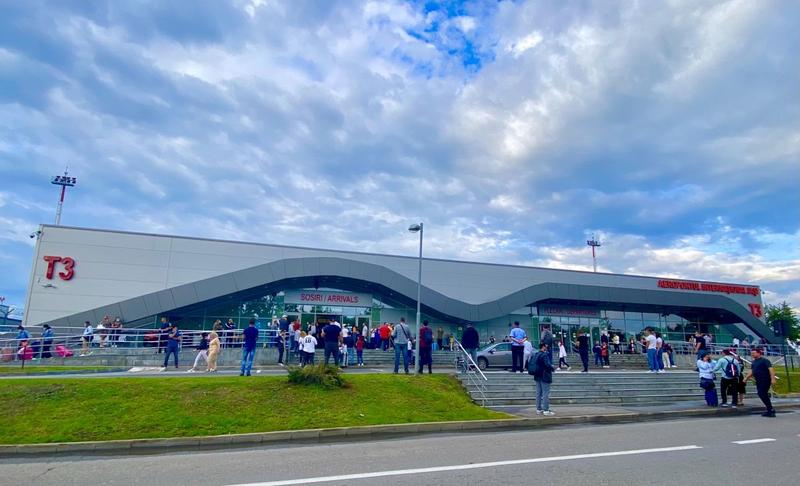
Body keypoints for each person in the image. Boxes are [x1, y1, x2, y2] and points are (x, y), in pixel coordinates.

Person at [744, 347, 776, 417]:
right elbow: (752, 371)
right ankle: (769, 409)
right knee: (762, 394)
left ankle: (770, 409)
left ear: (759, 353)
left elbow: (771, 369)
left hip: (765, 379)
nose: (752, 354)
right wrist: (746, 378)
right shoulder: (754, 362)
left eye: (753, 353)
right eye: (751, 353)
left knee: (761, 393)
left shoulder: (765, 360)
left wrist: (773, 379)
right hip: (758, 380)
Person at [532, 342, 556, 416]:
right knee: (545, 393)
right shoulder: (544, 355)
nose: (547, 346)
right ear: (543, 347)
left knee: (538, 393)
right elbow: (547, 365)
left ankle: (538, 409)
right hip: (544, 376)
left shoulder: (536, 354)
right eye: (546, 346)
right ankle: (546, 410)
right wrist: (553, 368)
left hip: (537, 375)